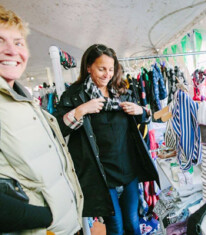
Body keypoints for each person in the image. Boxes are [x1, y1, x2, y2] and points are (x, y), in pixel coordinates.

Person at [54, 44, 160, 235]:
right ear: (88, 67)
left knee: (133, 222)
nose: (107, 74)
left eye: (111, 69)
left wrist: (140, 111)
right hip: (101, 175)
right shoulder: (75, 96)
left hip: (128, 168)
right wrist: (81, 110)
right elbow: (57, 129)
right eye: (101, 68)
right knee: (116, 227)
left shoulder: (121, 91)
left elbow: (148, 116)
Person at [0, 5, 83, 234]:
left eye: (17, 42)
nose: (11, 51)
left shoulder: (21, 99)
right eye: (0, 41)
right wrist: (46, 218)